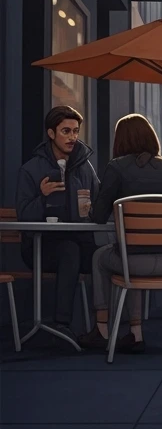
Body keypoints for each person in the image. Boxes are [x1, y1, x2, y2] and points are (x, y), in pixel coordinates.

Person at [78, 114, 162, 353]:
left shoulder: (116, 167)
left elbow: (97, 215)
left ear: (121, 140)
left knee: (103, 257)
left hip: (134, 262)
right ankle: (135, 334)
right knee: (129, 252)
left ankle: (102, 329)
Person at [14, 106, 101, 339]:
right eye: (66, 131)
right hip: (41, 247)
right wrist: (42, 198)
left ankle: (103, 328)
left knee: (106, 254)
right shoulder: (31, 170)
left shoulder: (85, 167)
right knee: (69, 251)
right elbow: (23, 216)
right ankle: (61, 325)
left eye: (75, 131)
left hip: (80, 240)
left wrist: (93, 208)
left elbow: (99, 202)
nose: (73, 137)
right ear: (51, 133)